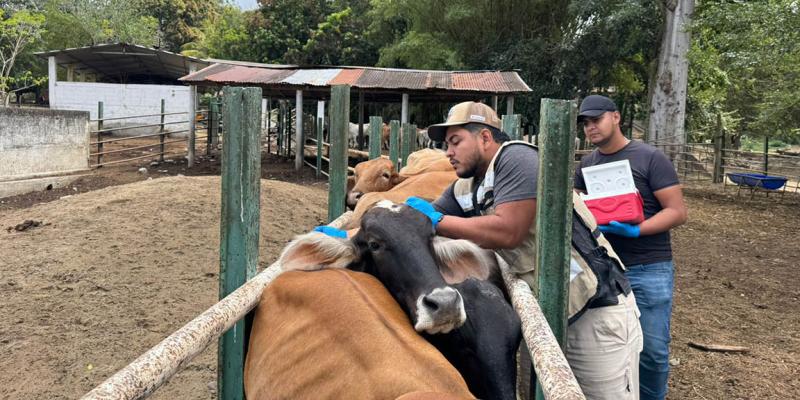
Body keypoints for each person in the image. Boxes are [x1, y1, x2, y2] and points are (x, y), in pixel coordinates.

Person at [408, 101, 643, 400]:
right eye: (445, 145)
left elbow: (508, 230)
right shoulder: (467, 187)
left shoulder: (517, 158)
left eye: (455, 142)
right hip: (550, 308)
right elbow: (418, 218)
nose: (448, 152)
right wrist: (357, 230)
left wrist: (438, 221)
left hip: (595, 310)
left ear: (484, 137)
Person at [574, 95, 688, 400]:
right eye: (585, 123)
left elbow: (677, 211)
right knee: (611, 345)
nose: (590, 128)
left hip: (648, 266)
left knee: (651, 350)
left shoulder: (650, 158)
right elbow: (580, 207)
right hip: (606, 268)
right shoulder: (587, 164)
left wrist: (637, 230)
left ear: (616, 117)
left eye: (596, 120)